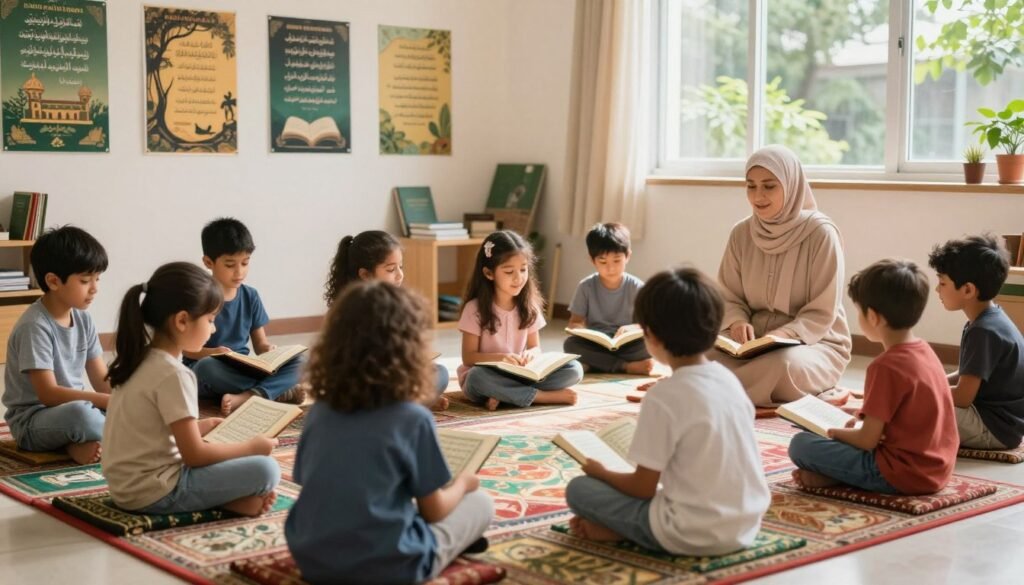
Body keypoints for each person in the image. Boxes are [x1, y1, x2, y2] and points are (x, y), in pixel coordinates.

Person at [286, 281, 493, 582]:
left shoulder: (320, 412)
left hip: (314, 560)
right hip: (389, 568)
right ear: (408, 347)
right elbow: (434, 511)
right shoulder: (413, 418)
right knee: (480, 503)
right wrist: (463, 483)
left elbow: (308, 482)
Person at [566, 267, 770, 555]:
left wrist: (602, 473)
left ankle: (625, 531)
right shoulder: (729, 380)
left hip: (688, 532)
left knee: (580, 489)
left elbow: (642, 488)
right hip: (746, 527)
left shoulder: (663, 396)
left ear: (650, 336)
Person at [102, 262, 280, 516]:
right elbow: (194, 455)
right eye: (210, 320)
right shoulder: (175, 374)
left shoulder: (139, 359)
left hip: (125, 489)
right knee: (266, 469)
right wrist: (252, 448)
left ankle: (231, 501)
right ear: (182, 320)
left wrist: (199, 427)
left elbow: (148, 431)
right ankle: (223, 500)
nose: (214, 329)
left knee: (230, 456)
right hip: (156, 492)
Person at [789, 259, 958, 494]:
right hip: (937, 470)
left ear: (874, 317)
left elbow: (867, 440)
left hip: (900, 474)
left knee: (801, 445)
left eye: (859, 312)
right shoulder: (925, 350)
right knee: (825, 435)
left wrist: (833, 432)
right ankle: (833, 474)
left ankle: (840, 475)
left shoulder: (885, 366)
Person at [713, 145, 852, 406]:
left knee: (783, 366)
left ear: (791, 185)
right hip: (750, 345)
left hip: (813, 345)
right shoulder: (741, 233)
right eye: (750, 186)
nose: (758, 196)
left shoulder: (821, 234)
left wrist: (782, 337)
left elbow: (821, 312)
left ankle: (718, 390)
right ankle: (732, 387)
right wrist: (737, 322)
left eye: (769, 186)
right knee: (697, 351)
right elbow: (728, 295)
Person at [2, 226, 110, 464]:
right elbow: (48, 394)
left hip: (72, 409)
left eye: (97, 279)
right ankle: (122, 436)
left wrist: (130, 398)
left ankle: (75, 444)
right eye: (85, 280)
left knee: (132, 408)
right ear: (53, 281)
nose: (95, 288)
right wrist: (108, 403)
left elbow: (102, 380)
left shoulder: (83, 319)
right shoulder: (34, 326)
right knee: (83, 416)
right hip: (33, 421)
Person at [184, 218, 304, 415]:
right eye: (230, 265)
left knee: (301, 360)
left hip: (242, 368)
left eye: (245, 263)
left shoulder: (250, 296)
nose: (239, 272)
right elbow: (187, 350)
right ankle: (275, 391)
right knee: (206, 367)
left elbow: (260, 345)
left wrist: (271, 351)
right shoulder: (199, 297)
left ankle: (250, 395)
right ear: (208, 262)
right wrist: (213, 352)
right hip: (208, 371)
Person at [458, 231, 583, 411]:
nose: (519, 278)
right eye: (509, 271)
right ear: (488, 273)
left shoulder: (528, 305)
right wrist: (502, 358)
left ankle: (506, 395)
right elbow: (468, 358)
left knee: (574, 369)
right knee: (477, 378)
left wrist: (531, 354)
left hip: (520, 375)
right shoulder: (474, 309)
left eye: (523, 269)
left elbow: (535, 347)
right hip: (486, 375)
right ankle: (540, 397)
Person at [324, 230, 450, 407]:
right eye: (391, 269)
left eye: (401, 267)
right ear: (365, 275)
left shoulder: (394, 304)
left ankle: (410, 401)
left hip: (388, 382)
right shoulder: (352, 310)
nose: (400, 275)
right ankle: (411, 402)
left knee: (439, 372)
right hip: (365, 384)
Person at [929, 234, 1024, 450]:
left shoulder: (983, 331)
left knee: (917, 408)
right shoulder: (989, 319)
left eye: (942, 283)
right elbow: (967, 373)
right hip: (1002, 424)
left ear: (968, 290)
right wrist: (932, 381)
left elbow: (962, 397)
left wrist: (924, 392)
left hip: (993, 428)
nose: (937, 290)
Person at [564, 222, 653, 375]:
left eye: (617, 260)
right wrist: (580, 330)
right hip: (597, 344)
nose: (610, 268)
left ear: (628, 256)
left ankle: (598, 364)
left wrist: (634, 328)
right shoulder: (586, 286)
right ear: (592, 260)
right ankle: (625, 366)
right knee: (571, 345)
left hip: (628, 344)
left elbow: (649, 325)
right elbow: (575, 322)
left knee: (652, 343)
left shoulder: (637, 287)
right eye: (603, 262)